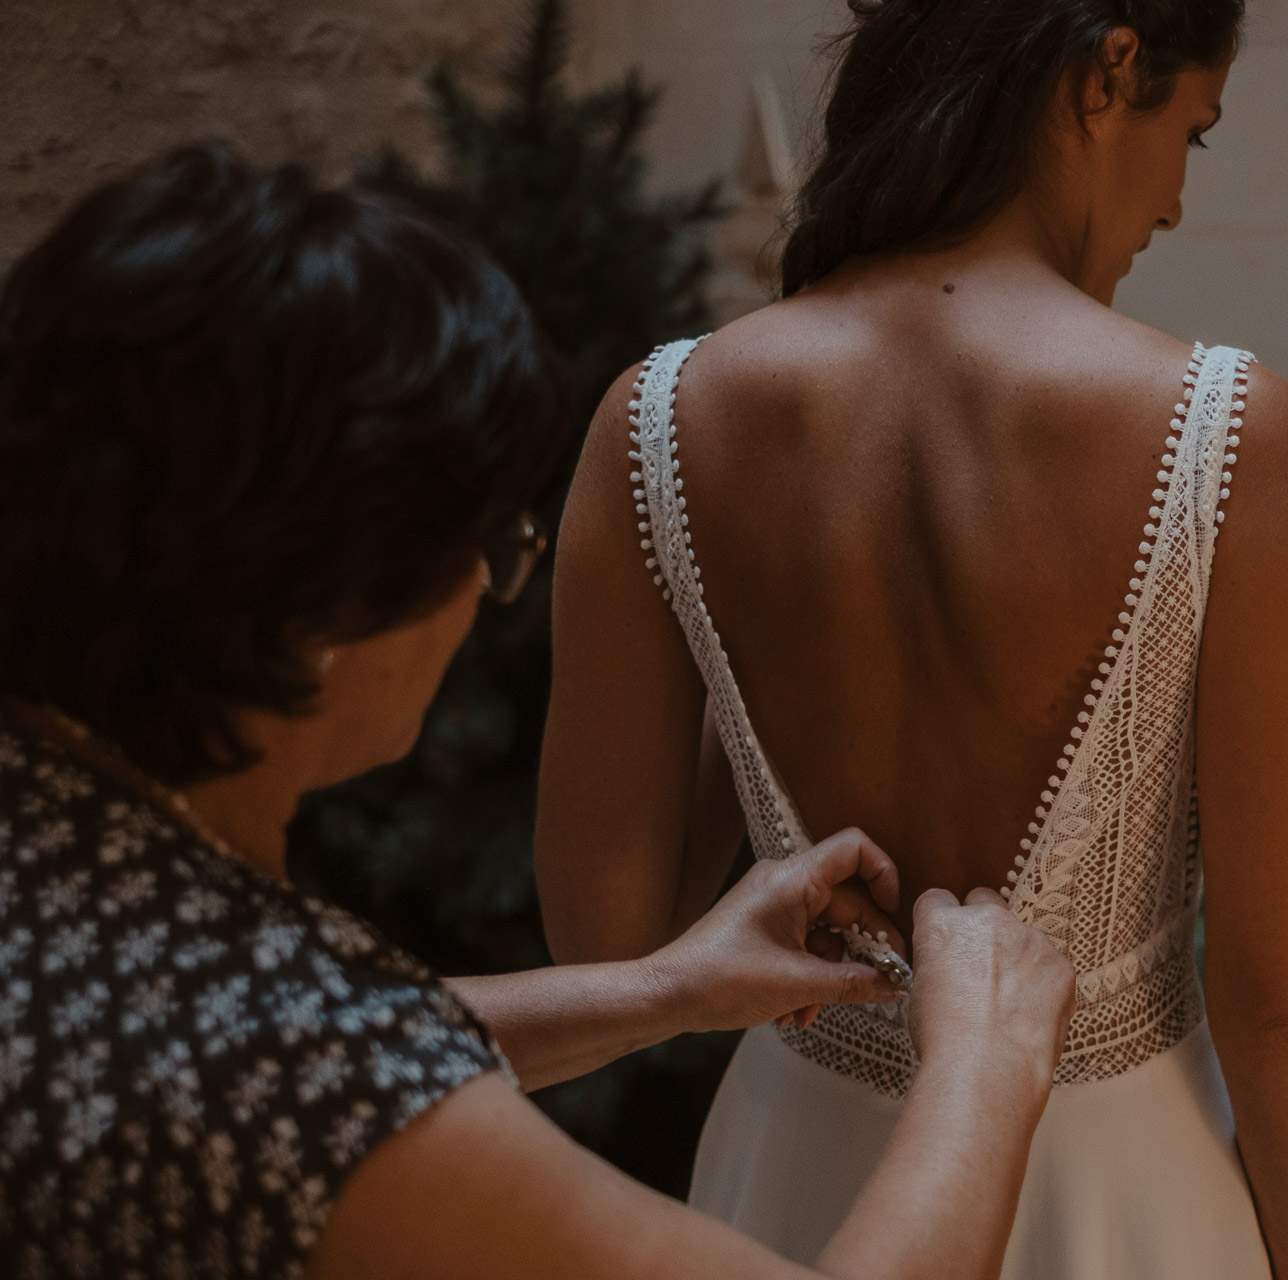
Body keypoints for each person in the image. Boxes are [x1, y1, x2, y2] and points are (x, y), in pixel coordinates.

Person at [0, 143, 1076, 1280]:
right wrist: (986, 1067)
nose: (480, 588)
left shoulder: (55, 821)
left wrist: (660, 988)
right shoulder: (314, 1090)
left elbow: (234, 1044)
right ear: (322, 607)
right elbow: (302, 1070)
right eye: (486, 546)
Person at [535, 0, 1288, 1276]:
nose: (1174, 208)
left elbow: (607, 943)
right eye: (1191, 138)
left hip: (795, 1170)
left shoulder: (655, 419)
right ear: (1108, 72)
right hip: (1117, 1188)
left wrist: (752, 626)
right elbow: (1287, 1005)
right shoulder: (1229, 438)